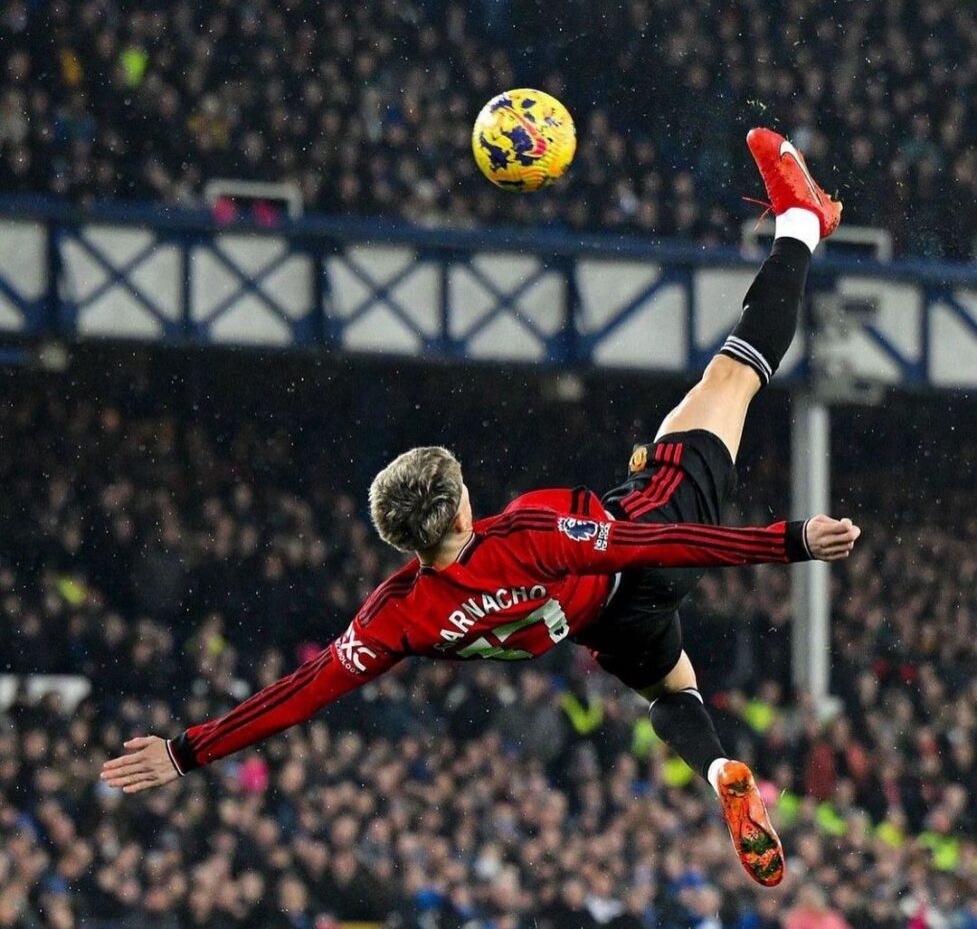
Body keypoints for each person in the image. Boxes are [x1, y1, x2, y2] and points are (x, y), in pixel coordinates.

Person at [102, 129, 856, 889]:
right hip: (646, 547)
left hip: (603, 624)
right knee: (731, 377)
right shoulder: (524, 531)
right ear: (462, 510)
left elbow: (299, 694)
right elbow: (643, 544)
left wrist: (186, 750)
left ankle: (719, 765)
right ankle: (800, 221)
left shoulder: (397, 615)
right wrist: (790, 540)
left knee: (671, 689)